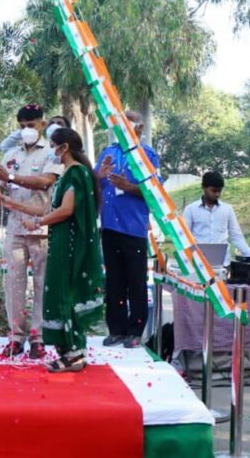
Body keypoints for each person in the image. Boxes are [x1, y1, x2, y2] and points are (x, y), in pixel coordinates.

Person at [2, 128, 104, 372]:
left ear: (64, 148)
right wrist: (12, 203)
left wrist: (38, 223)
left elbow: (66, 210)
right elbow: (47, 211)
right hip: (59, 244)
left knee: (67, 296)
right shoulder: (65, 176)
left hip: (69, 246)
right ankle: (67, 352)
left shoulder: (76, 174)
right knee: (58, 295)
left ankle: (75, 353)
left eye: (53, 146)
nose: (51, 153)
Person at [0, 104, 63, 358]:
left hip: (42, 227)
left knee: (42, 284)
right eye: (22, 126)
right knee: (13, 284)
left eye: (31, 125)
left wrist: (9, 178)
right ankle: (15, 336)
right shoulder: (11, 154)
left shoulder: (52, 154)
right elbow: (0, 186)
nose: (26, 130)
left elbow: (46, 182)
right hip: (15, 227)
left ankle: (38, 336)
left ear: (42, 125)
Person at [95, 110, 160, 349]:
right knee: (114, 280)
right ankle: (116, 329)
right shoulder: (107, 152)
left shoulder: (147, 155)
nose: (122, 132)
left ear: (139, 130)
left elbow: (154, 193)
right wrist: (97, 175)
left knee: (135, 281)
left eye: (129, 127)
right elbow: (94, 181)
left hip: (133, 227)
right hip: (109, 225)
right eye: (119, 127)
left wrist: (128, 186)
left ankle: (135, 331)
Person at [181, 171, 250, 261]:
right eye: (213, 190)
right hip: (200, 264)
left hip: (223, 263)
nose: (217, 194)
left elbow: (236, 236)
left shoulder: (227, 209)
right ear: (204, 187)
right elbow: (184, 237)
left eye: (219, 191)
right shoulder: (190, 210)